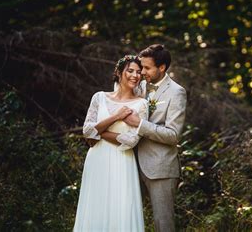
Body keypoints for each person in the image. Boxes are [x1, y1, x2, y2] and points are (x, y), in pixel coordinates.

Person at [102, 44, 187, 232]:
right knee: (126, 218)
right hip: (129, 163)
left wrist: (138, 124)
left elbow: (173, 135)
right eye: (141, 68)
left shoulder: (176, 92)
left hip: (160, 168)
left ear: (162, 67)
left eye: (147, 68)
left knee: (162, 223)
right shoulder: (139, 86)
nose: (142, 72)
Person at [74, 55, 147, 232]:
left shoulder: (141, 104)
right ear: (119, 72)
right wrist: (116, 117)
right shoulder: (99, 98)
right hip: (97, 159)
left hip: (122, 161)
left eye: (139, 72)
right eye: (130, 71)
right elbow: (86, 130)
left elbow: (131, 140)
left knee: (120, 207)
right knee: (96, 206)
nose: (135, 75)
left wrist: (99, 132)